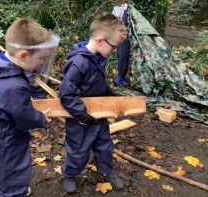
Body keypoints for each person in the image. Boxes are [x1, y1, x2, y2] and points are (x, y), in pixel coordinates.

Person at [0, 18, 59, 197]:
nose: (41, 63)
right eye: (41, 58)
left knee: (3, 176)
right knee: (12, 177)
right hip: (3, 142)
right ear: (23, 55)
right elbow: (24, 116)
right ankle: (13, 192)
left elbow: (7, 103)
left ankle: (8, 189)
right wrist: (41, 118)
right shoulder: (12, 86)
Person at [59, 12, 128, 193]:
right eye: (114, 47)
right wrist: (83, 114)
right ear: (100, 40)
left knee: (105, 147)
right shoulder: (78, 63)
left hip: (99, 117)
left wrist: (112, 96)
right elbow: (66, 94)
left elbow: (98, 83)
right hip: (81, 120)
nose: (114, 51)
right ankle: (70, 174)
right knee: (78, 151)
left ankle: (106, 171)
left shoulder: (99, 58)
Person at [113, 2, 130, 86]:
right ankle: (118, 78)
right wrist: (125, 11)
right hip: (121, 36)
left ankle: (122, 77)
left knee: (125, 58)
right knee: (122, 56)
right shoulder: (117, 9)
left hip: (126, 37)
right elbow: (120, 23)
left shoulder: (127, 8)